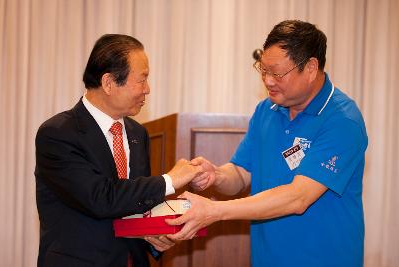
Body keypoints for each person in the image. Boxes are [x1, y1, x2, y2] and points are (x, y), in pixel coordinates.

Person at [167, 20, 368, 267]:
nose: (268, 81)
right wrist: (217, 175)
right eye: (263, 70)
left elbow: (298, 198)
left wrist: (215, 211)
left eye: (277, 73)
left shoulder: (342, 120)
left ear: (311, 67)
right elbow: (241, 173)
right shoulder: (267, 110)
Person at [35, 34, 205, 267]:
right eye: (142, 79)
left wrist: (153, 237)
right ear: (109, 83)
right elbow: (101, 198)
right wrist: (170, 180)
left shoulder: (138, 133)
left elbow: (135, 201)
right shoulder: (58, 134)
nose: (148, 89)